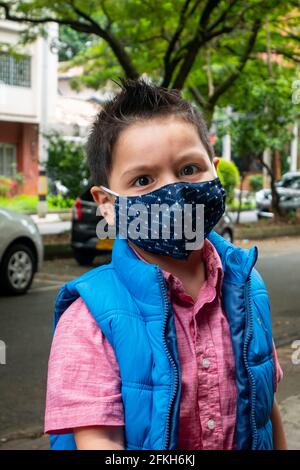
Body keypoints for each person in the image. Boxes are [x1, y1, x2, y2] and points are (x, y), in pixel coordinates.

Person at [44, 78, 287, 450]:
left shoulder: (249, 289)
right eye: (143, 179)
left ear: (215, 169)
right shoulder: (89, 319)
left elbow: (263, 404)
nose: (173, 191)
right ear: (106, 204)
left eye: (189, 169)